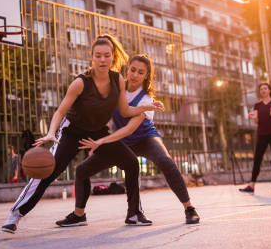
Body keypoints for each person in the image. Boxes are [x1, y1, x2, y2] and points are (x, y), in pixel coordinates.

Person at [1, 35, 164, 233]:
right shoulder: (80, 82)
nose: (102, 60)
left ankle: (134, 214)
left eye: (107, 55)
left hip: (97, 133)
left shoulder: (118, 80)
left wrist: (147, 106)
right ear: (92, 57)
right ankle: (15, 215)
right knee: (48, 171)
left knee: (131, 163)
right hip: (72, 132)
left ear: (113, 57)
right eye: (98, 56)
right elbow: (60, 111)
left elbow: (125, 110)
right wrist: (52, 133)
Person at [77, 54, 200, 224]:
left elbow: (130, 129)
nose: (135, 75)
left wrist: (102, 141)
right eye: (132, 70)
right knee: (82, 170)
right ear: (127, 70)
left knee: (166, 161)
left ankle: (189, 208)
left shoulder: (146, 99)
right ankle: (79, 215)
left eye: (140, 72)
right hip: (121, 140)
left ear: (146, 76)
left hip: (144, 138)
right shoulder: (116, 88)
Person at [239, 82, 271, 195]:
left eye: (265, 88)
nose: (263, 90)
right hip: (262, 134)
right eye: (261, 89)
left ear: (269, 90)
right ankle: (252, 185)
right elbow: (257, 121)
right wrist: (253, 118)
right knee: (257, 159)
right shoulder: (257, 105)